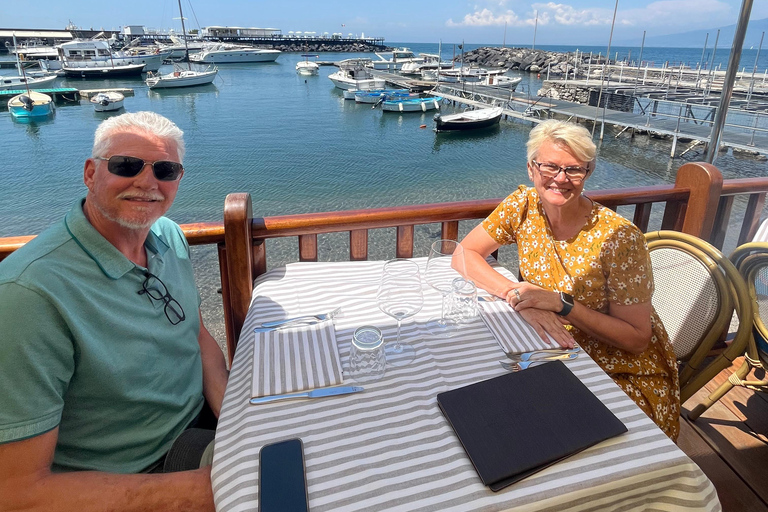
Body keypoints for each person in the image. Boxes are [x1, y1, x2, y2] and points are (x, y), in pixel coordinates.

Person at [0, 111, 229, 511]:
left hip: (198, 430)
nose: (147, 182)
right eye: (126, 166)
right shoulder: (28, 294)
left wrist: (235, 418)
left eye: (165, 169)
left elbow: (196, 334)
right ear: (90, 173)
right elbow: (16, 492)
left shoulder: (168, 235)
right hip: (137, 475)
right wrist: (217, 489)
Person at [459, 119, 680, 440]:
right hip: (550, 353)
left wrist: (562, 305)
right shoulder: (523, 205)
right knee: (483, 408)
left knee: (536, 434)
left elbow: (636, 339)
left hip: (621, 372)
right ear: (531, 169)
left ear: (588, 173)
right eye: (549, 166)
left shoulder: (619, 239)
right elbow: (464, 254)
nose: (560, 179)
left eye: (574, 170)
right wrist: (517, 297)